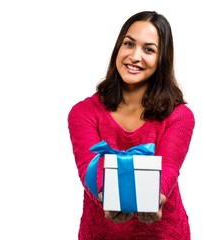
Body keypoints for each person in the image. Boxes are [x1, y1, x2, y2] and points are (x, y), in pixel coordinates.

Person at [68, 10, 195, 240]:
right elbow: (89, 166)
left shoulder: (179, 115)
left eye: (149, 50)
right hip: (101, 233)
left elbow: (169, 168)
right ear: (118, 48)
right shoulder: (83, 112)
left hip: (163, 233)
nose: (135, 56)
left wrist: (155, 198)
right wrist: (107, 196)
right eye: (129, 44)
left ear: (161, 59)